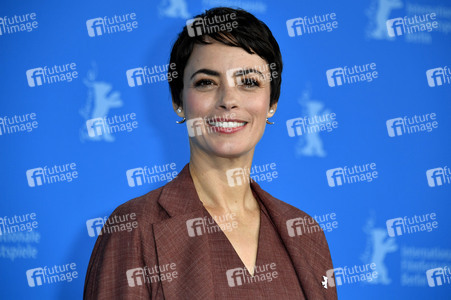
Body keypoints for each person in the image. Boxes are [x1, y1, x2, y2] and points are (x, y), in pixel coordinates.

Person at [84, 7, 337, 299]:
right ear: (179, 101)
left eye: (249, 82)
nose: (228, 100)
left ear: (272, 103)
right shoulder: (133, 228)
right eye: (206, 82)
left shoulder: (306, 233)